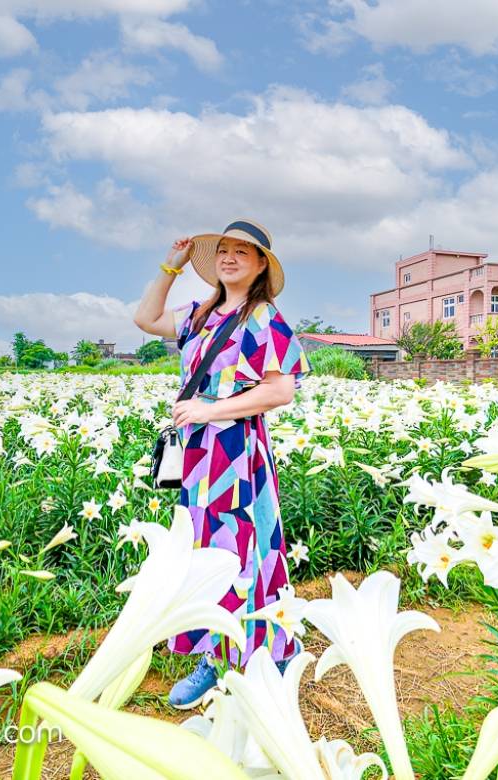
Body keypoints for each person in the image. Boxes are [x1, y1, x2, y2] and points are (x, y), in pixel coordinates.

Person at [133, 219, 312, 709]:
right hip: (197, 455)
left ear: (260, 266)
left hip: (237, 451)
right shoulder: (198, 315)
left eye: (242, 252)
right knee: (201, 553)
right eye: (224, 251)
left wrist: (211, 410)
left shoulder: (265, 319)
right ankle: (215, 654)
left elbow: (281, 390)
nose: (230, 258)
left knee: (247, 550)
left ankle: (262, 653)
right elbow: (146, 320)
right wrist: (170, 267)